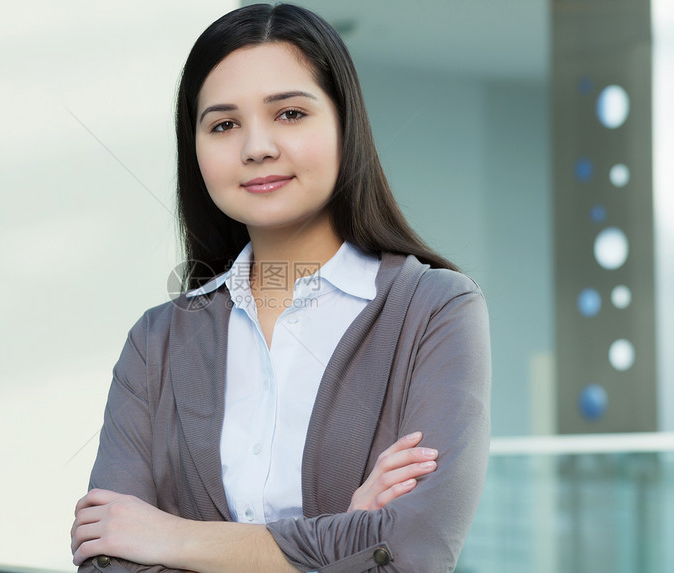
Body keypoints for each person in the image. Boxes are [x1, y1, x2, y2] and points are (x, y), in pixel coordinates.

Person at [70, 3, 490, 572]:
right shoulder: (157, 341)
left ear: (345, 124)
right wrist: (347, 534)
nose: (256, 147)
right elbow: (107, 558)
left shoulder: (436, 310)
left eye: (290, 114)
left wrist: (173, 538)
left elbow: (410, 551)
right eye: (222, 124)